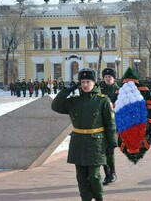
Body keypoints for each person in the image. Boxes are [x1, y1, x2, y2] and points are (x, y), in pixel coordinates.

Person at [51, 68, 117, 201]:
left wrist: (111, 144)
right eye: (82, 82)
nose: (85, 85)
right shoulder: (74, 101)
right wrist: (67, 90)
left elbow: (110, 124)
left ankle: (99, 197)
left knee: (94, 176)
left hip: (96, 143)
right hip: (78, 143)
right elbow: (55, 106)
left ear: (94, 83)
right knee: (81, 177)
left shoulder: (102, 100)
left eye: (88, 82)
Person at [99, 68, 119, 185]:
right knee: (102, 148)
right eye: (106, 77)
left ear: (114, 78)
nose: (107, 78)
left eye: (110, 77)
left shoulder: (119, 90)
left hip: (112, 123)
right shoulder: (99, 88)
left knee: (109, 149)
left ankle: (113, 173)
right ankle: (107, 173)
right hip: (100, 122)